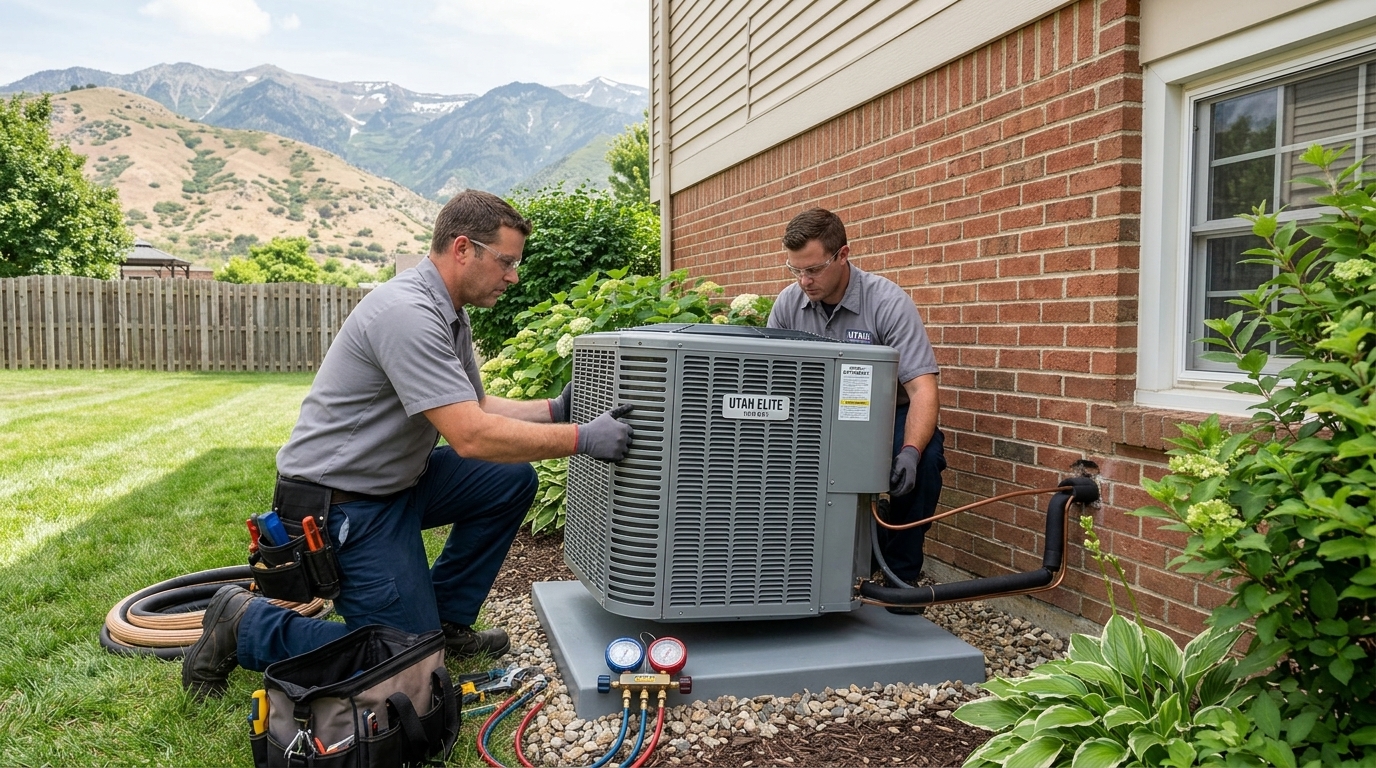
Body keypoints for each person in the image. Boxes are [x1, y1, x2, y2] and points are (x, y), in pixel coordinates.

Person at [183, 190, 634, 698]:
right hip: (340, 505)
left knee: (507, 481)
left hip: (397, 485)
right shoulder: (407, 313)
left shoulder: (449, 311)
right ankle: (244, 625)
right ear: (463, 248)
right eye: (506, 262)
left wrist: (556, 409)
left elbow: (475, 407)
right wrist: (582, 439)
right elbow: (469, 435)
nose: (514, 276)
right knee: (407, 666)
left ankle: (444, 624)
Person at [765, 208, 945, 606]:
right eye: (794, 271)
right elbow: (773, 381)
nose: (803, 281)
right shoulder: (788, 305)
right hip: (815, 414)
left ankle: (899, 575)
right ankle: (791, 565)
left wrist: (911, 451)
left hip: (882, 415)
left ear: (842, 255)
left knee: (927, 460)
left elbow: (922, 389)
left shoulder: (887, 303)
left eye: (812, 269)